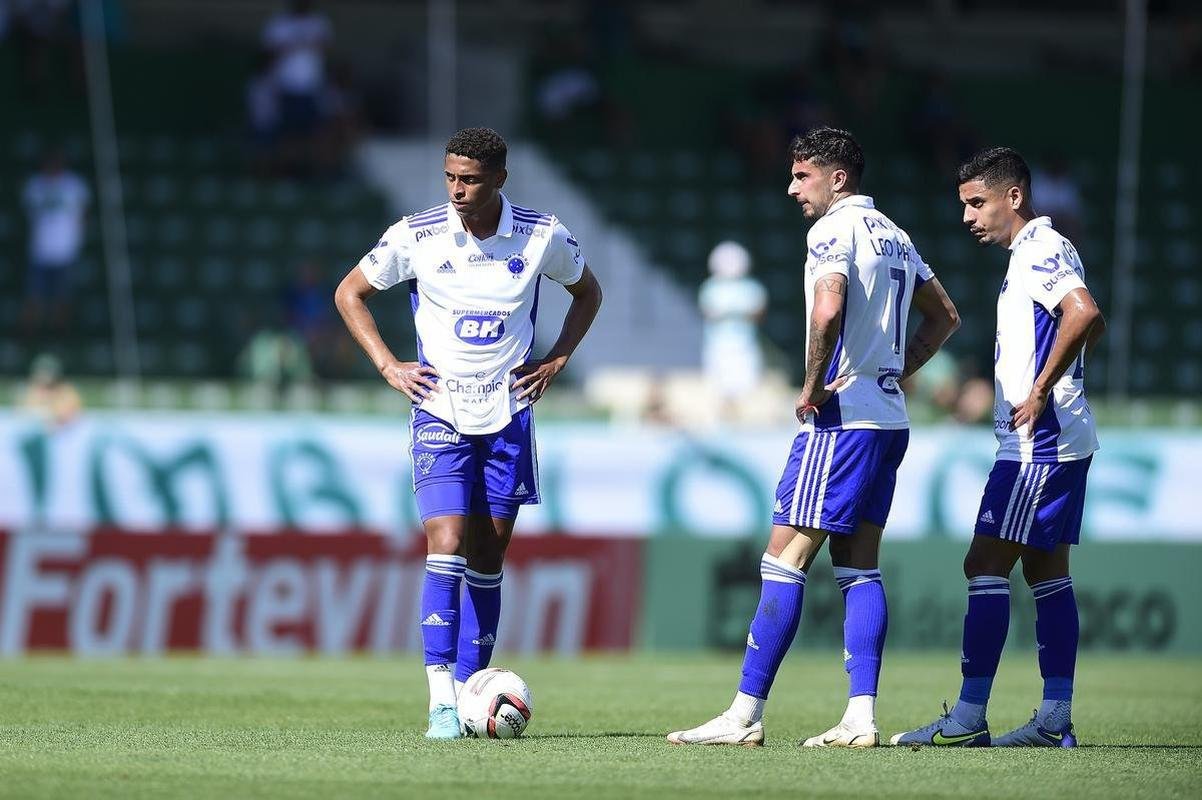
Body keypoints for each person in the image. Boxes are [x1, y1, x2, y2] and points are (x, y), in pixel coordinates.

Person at [667, 127, 960, 748]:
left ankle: (744, 715)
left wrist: (814, 383)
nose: (791, 187)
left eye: (802, 176)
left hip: (842, 420)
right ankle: (861, 717)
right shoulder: (896, 235)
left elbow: (828, 308)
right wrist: (895, 372)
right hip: (887, 420)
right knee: (859, 568)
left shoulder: (831, 230)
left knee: (783, 557)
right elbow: (946, 316)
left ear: (838, 178)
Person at [333, 127, 602, 740]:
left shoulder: (541, 235)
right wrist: (387, 364)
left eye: (471, 178)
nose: (457, 188)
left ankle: (471, 686)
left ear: (500, 179)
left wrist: (559, 357)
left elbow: (588, 293)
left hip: (509, 413)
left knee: (489, 550)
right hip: (440, 409)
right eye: (450, 176)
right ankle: (441, 704)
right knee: (446, 540)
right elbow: (350, 292)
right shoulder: (417, 234)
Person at [891, 147, 1104, 748]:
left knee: (984, 564)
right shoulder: (1045, 248)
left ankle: (966, 718)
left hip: (1039, 442)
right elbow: (1090, 317)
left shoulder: (1038, 249)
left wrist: (1039, 389)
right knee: (1046, 570)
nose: (968, 216)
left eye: (977, 203)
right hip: (1062, 435)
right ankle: (1054, 718)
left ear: (1014, 197)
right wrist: (1069, 371)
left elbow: (1082, 312)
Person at [22, 148, 89, 333]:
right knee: (34, 296)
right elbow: (29, 215)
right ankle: (30, 336)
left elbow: (83, 215)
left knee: (63, 298)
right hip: (40, 252)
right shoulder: (35, 185)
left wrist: (77, 240)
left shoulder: (74, 185)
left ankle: (59, 336)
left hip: (65, 251)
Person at [698, 241, 767, 419]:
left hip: (744, 346)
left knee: (744, 391)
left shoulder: (752, 287)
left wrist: (731, 313)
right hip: (718, 346)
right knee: (720, 392)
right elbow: (708, 312)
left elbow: (758, 313)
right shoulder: (710, 287)